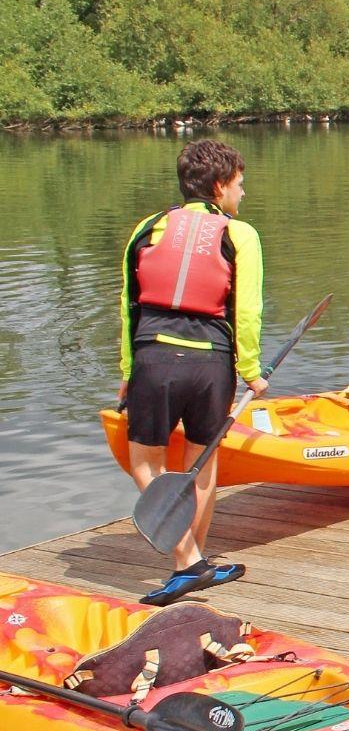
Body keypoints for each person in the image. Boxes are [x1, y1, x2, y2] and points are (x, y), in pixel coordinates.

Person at [119, 140, 263, 606]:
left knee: (145, 462)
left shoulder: (146, 228)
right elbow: (248, 311)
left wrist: (127, 370)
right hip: (211, 363)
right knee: (203, 465)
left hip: (154, 357)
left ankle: (190, 561)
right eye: (240, 185)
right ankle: (191, 561)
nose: (243, 194)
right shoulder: (239, 234)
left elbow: (129, 307)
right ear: (220, 187)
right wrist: (252, 370)